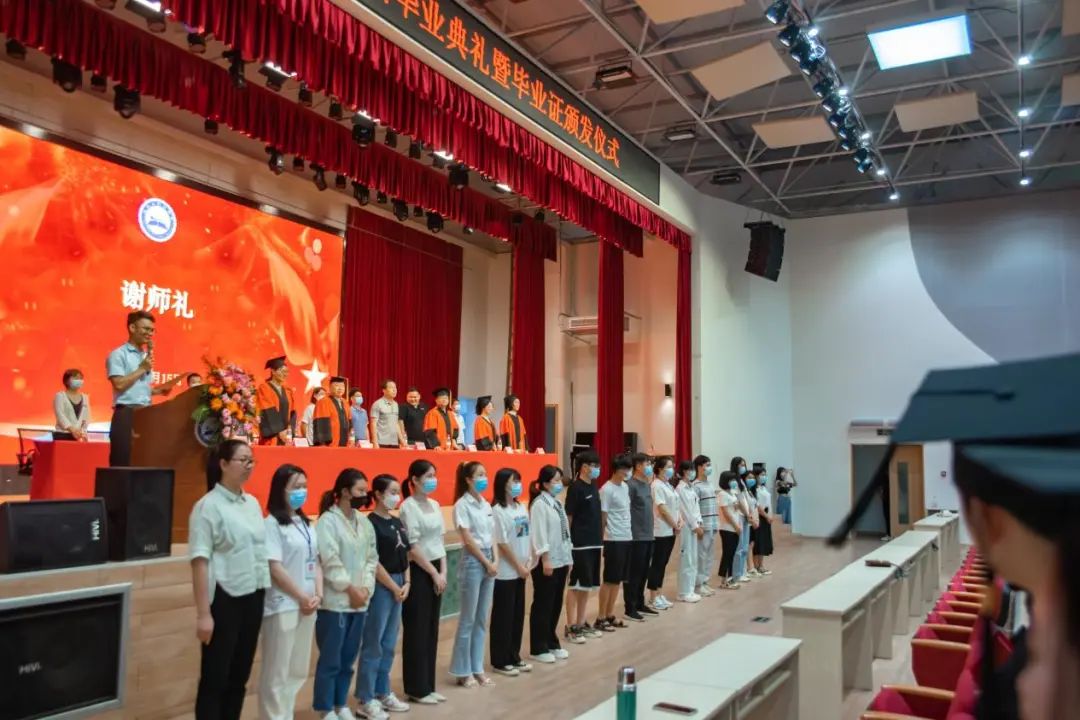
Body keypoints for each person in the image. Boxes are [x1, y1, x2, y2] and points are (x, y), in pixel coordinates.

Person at [188, 440, 270, 720]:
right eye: (242, 460)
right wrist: (203, 614)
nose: (248, 466)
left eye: (251, 461)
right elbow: (200, 561)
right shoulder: (207, 506)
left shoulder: (252, 503)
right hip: (225, 599)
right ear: (223, 464)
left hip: (254, 595)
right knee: (215, 677)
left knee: (239, 676)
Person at [313, 469, 379, 720]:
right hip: (336, 602)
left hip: (360, 602)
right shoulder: (327, 522)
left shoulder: (364, 522)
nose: (364, 495)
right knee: (331, 659)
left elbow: (371, 558)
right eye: (360, 490)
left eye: (365, 490)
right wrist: (350, 589)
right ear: (344, 492)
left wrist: (366, 589)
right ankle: (325, 708)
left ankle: (341, 703)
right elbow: (329, 560)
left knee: (348, 658)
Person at [259, 464, 322, 720]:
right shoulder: (272, 524)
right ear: (280, 489)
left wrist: (317, 594)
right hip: (283, 604)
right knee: (277, 672)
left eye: (304, 486)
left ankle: (285, 715)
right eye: (296, 487)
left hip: (308, 605)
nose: (301, 492)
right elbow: (274, 567)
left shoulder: (306, 523)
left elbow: (316, 561)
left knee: (297, 670)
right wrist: (301, 596)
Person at [357, 475, 412, 717]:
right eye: (392, 492)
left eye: (398, 492)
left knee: (389, 643)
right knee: (374, 643)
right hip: (382, 585)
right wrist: (392, 586)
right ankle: (366, 697)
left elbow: (405, 554)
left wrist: (407, 582)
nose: (396, 497)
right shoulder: (370, 524)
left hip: (400, 584)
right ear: (378, 494)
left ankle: (383, 691)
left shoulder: (397, 521)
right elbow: (374, 561)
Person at [106, 310, 184, 466]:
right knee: (123, 461)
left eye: (152, 330)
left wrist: (158, 391)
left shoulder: (145, 355)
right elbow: (119, 384)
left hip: (146, 414)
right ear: (132, 328)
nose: (150, 333)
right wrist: (142, 369)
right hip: (127, 414)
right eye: (146, 329)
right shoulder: (118, 354)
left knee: (144, 462)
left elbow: (137, 387)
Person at [398, 460, 448, 706]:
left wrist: (443, 572)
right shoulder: (408, 507)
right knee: (417, 629)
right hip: (420, 570)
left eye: (434, 475)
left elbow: (440, 541)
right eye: (428, 476)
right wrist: (433, 573)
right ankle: (416, 688)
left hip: (437, 568)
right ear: (414, 481)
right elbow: (413, 547)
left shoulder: (435, 505)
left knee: (431, 629)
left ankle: (429, 685)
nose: (432, 480)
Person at [450, 461, 498, 687]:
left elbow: (493, 534)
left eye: (485, 474)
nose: (484, 478)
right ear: (468, 480)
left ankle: (477, 667)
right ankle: (463, 670)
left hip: (489, 558)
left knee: (481, 619)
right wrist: (486, 562)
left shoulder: (486, 504)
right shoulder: (462, 505)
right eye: (480, 475)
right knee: (468, 619)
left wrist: (495, 560)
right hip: (473, 560)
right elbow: (468, 539)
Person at [490, 468, 533, 676]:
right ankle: (500, 660)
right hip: (507, 572)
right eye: (513, 481)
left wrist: (528, 561)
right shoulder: (498, 511)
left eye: (519, 480)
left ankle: (514, 656)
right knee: (503, 617)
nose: (517, 485)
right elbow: (502, 543)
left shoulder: (521, 507)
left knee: (517, 616)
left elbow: (526, 534)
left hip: (522, 569)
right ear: (502, 484)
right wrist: (518, 566)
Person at [528, 465, 572, 664]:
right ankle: (538, 647)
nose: (559, 484)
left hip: (560, 559)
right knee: (543, 603)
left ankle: (551, 641)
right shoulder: (539, 504)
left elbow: (564, 533)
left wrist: (568, 559)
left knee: (555, 603)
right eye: (555, 480)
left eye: (560, 480)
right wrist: (545, 558)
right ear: (545, 484)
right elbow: (539, 534)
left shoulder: (557, 503)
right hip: (547, 561)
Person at [564, 450, 604, 641]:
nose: (597, 469)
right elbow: (569, 517)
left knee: (587, 586)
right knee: (575, 585)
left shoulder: (593, 486)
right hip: (579, 544)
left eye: (598, 465)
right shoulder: (575, 488)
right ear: (584, 467)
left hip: (594, 542)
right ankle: (571, 625)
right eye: (594, 466)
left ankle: (581, 622)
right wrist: (568, 542)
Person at [597, 453, 633, 628]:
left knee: (618, 579)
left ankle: (610, 614)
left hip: (626, 536)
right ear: (616, 470)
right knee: (609, 579)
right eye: (624, 469)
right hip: (613, 538)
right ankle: (601, 616)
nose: (627, 472)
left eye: (628, 469)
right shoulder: (606, 489)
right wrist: (603, 539)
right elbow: (603, 516)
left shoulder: (625, 487)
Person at [623, 453, 655, 621]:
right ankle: (630, 607)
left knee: (644, 572)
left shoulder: (646, 485)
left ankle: (640, 602)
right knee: (633, 573)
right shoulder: (630, 486)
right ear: (637, 466)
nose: (649, 467)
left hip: (649, 534)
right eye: (646, 464)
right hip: (636, 536)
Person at [647, 456, 680, 610]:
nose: (672, 469)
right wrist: (674, 524)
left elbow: (675, 507)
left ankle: (659, 593)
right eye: (668, 467)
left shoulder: (668, 485)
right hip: (660, 530)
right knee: (657, 564)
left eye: (672, 466)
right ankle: (653, 597)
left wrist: (679, 521)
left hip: (670, 530)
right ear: (660, 469)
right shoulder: (656, 485)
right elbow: (662, 509)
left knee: (663, 563)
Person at [675, 462, 703, 603]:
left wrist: (700, 522)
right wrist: (695, 526)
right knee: (686, 559)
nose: (692, 472)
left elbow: (696, 508)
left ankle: (690, 590)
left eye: (693, 469)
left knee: (693, 559)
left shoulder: (691, 487)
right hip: (687, 527)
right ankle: (683, 592)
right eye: (689, 470)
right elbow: (685, 510)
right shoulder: (680, 489)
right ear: (683, 472)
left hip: (695, 526)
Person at [691, 455, 718, 597]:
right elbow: (694, 508)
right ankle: (698, 585)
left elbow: (713, 505)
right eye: (707, 465)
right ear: (699, 467)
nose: (709, 467)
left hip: (712, 524)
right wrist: (699, 525)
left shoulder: (710, 484)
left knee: (709, 556)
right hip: (703, 526)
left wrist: (716, 523)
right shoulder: (695, 486)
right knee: (701, 557)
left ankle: (705, 582)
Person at [257, 356, 296, 446]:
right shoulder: (264, 388)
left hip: (286, 437)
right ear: (273, 371)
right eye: (282, 371)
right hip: (271, 437)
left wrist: (289, 431)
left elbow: (292, 412)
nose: (285, 374)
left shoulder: (288, 391)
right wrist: (279, 431)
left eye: (286, 372)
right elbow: (267, 409)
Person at [715, 472, 742, 590]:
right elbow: (726, 513)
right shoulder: (722, 494)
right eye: (731, 480)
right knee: (727, 553)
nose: (734, 482)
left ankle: (730, 579)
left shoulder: (733, 493)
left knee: (731, 554)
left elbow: (736, 509)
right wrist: (736, 526)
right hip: (727, 528)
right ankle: (724, 580)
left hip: (735, 528)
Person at [313, 377, 350, 447]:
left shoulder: (345, 403)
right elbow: (321, 424)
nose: (340, 388)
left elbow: (349, 423)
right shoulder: (323, 402)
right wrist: (323, 444)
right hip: (329, 445)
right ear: (330, 387)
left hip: (344, 444)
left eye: (342, 386)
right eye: (337, 385)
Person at [54, 368, 91, 439]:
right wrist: (72, 430)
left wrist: (83, 431)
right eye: (76, 378)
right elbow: (60, 415)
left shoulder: (85, 397)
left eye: (81, 378)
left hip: (79, 435)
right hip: (63, 434)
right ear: (66, 381)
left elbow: (87, 416)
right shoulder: (60, 396)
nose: (79, 380)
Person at [370, 380, 404, 449]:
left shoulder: (396, 404)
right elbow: (373, 424)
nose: (394, 390)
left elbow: (396, 424)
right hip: (381, 442)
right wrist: (375, 442)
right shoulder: (377, 404)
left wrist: (402, 441)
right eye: (391, 387)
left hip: (394, 442)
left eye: (395, 387)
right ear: (384, 390)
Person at [752, 470, 774, 575]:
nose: (764, 477)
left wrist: (770, 516)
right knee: (758, 543)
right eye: (762, 475)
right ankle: (756, 566)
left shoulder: (763, 488)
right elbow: (757, 505)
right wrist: (766, 516)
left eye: (765, 475)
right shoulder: (754, 490)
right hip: (760, 516)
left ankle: (761, 565)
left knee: (764, 542)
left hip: (766, 517)